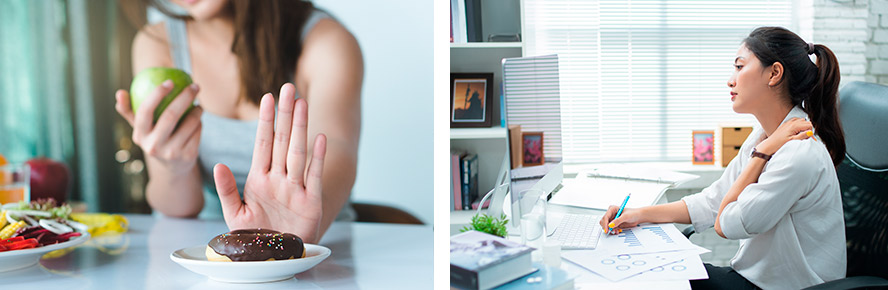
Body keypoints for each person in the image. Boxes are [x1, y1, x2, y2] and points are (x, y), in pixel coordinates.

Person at [599, 26, 846, 289]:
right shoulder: (764, 136)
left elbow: (726, 223)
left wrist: (760, 156)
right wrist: (639, 214)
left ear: (774, 73)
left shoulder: (798, 152)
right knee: (656, 273)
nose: (731, 80)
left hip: (784, 287)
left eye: (740, 67)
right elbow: (714, 201)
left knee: (659, 280)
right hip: (756, 279)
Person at [114, 0, 363, 244]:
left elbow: (337, 148)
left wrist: (295, 230)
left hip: (321, 245)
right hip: (212, 253)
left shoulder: (326, 40)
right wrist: (172, 167)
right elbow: (181, 210)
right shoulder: (158, 43)